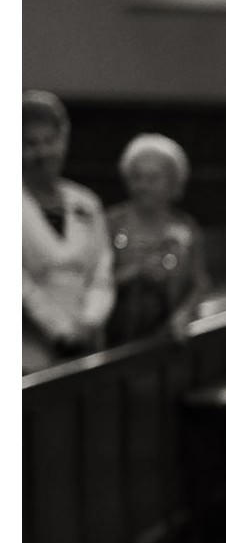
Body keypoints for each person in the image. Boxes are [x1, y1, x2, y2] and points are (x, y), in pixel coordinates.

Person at [22, 90, 113, 373]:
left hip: (88, 346)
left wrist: (90, 321)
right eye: (31, 143)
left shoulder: (85, 201)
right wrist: (59, 331)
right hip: (27, 354)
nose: (43, 153)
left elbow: (101, 272)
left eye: (51, 141)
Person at [106, 133, 211, 346]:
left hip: (169, 340)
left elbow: (200, 284)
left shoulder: (186, 228)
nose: (143, 186)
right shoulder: (111, 223)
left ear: (174, 183)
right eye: (137, 177)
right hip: (116, 339)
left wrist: (184, 315)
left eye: (153, 179)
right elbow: (93, 284)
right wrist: (135, 273)